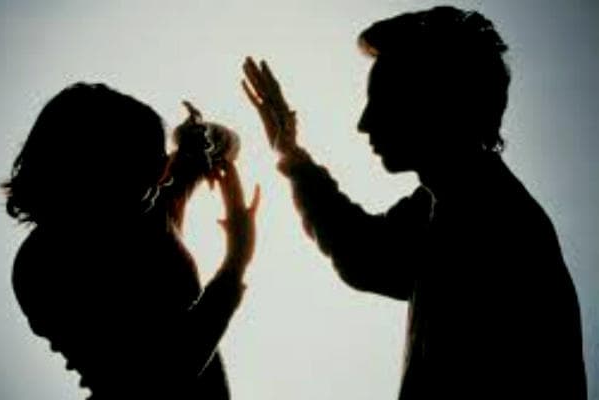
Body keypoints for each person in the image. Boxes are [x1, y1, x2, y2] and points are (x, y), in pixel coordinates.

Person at [242, 6, 586, 399]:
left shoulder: (499, 226)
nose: (364, 122)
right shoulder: (445, 206)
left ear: (436, 102)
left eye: (382, 100)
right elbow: (363, 253)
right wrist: (290, 152)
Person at [2, 83, 259, 399]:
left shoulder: (144, 210)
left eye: (160, 163)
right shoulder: (40, 268)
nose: (161, 177)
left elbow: (210, 153)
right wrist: (236, 261)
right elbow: (155, 377)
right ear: (94, 170)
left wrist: (204, 139)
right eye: (147, 164)